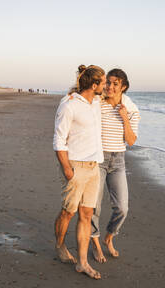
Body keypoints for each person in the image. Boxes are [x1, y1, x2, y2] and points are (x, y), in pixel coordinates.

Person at [53, 65, 106, 279]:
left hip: (94, 167)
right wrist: (68, 169)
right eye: (103, 82)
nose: (105, 86)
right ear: (94, 85)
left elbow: (116, 99)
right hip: (76, 166)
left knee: (87, 214)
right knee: (69, 212)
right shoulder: (69, 105)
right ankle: (60, 245)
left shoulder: (96, 102)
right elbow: (58, 139)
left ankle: (82, 263)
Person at [90, 68, 140, 263]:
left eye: (115, 84)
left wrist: (125, 118)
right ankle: (95, 244)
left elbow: (131, 140)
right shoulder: (97, 103)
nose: (110, 87)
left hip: (118, 160)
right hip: (98, 159)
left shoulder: (132, 109)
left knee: (122, 208)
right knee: (94, 207)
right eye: (108, 82)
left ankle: (109, 236)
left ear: (123, 87)